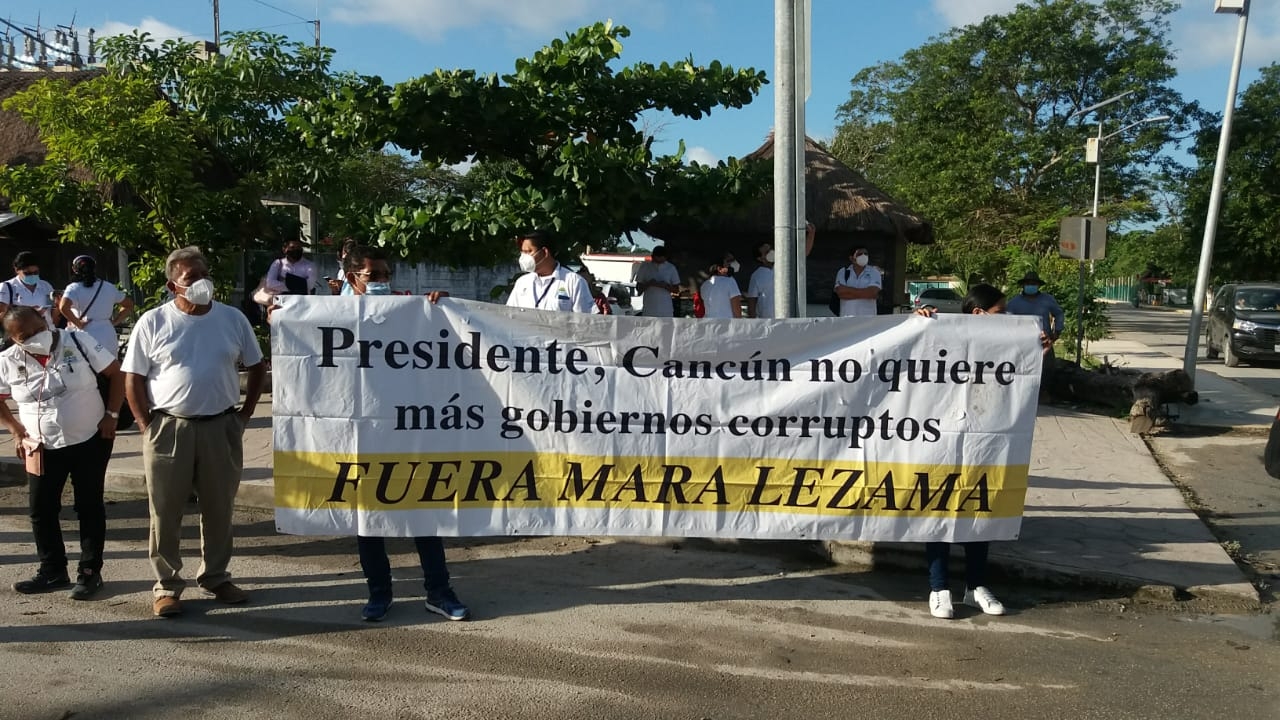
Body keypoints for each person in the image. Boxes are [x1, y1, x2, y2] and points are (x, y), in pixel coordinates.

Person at [122, 246, 266, 618]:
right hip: (169, 427)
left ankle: (216, 577)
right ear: (173, 285)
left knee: (219, 509)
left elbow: (256, 365)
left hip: (221, 426)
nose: (202, 282)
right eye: (191, 277)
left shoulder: (233, 319)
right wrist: (144, 424)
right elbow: (133, 378)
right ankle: (167, 586)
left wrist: (245, 413)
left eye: (204, 273)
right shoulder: (153, 322)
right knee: (165, 512)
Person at [338, 244, 471, 622]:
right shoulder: (333, 314)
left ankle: (439, 591)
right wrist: (280, 317)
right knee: (369, 518)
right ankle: (379, 593)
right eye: (372, 276)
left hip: (410, 426)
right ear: (352, 279)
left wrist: (443, 306)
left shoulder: (408, 307)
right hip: (363, 430)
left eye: (385, 275)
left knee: (422, 511)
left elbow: (440, 331)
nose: (381, 281)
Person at [915, 283, 1051, 619]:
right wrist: (918, 321)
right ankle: (939, 587)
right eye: (1000, 311)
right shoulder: (944, 333)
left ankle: (976, 587)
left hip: (985, 437)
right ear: (978, 313)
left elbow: (1024, 384)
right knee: (940, 510)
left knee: (980, 507)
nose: (1008, 318)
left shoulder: (1006, 343)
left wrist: (1037, 352)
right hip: (943, 438)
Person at [0, 306, 124, 600]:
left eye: (35, 330)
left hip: (91, 439)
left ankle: (90, 572)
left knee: (89, 506)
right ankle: (52, 570)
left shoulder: (77, 341)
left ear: (44, 321)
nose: (33, 338)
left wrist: (112, 414)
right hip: (41, 446)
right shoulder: (7, 361)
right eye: (23, 336)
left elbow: (116, 375)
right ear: (13, 339)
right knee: (41, 510)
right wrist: (16, 429)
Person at [57, 255, 135, 353]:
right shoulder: (108, 287)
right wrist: (115, 322)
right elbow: (129, 304)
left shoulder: (73, 288)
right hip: (107, 335)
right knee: (110, 366)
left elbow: (63, 307)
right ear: (94, 268)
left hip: (85, 336)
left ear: (74, 269)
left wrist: (78, 323)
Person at [1006, 271, 1064, 398]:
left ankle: (1044, 392)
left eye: (1033, 283)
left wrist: (1057, 330)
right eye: (1028, 283)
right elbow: (1007, 321)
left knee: (1047, 367)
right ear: (1023, 285)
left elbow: (1059, 313)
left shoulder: (1047, 300)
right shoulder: (1014, 303)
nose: (1031, 286)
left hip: (1043, 341)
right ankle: (1021, 393)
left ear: (1038, 285)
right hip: (1021, 342)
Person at [506, 230, 594, 313]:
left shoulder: (573, 281)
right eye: (523, 252)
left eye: (528, 251)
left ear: (545, 252)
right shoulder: (522, 282)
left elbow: (585, 321)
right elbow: (510, 317)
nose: (524, 257)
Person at [0, 251, 59, 331]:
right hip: (22, 334)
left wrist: (58, 306)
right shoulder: (7, 287)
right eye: (27, 273)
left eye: (36, 272)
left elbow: (52, 312)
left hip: (47, 333)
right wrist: (28, 312)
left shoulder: (46, 286)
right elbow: (2, 315)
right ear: (17, 270)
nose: (32, 276)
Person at [632, 246, 681, 318]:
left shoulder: (671, 268)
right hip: (649, 309)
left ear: (665, 257)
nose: (658, 263)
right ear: (652, 257)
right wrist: (649, 284)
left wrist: (665, 286)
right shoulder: (645, 266)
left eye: (661, 261)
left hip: (666, 310)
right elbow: (638, 288)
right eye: (656, 261)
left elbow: (676, 290)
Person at [834, 247, 881, 317]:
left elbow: (873, 293)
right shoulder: (843, 272)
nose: (863, 256)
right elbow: (841, 294)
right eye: (860, 254)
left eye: (866, 254)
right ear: (851, 258)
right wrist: (866, 293)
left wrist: (848, 291)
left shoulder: (874, 272)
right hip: (847, 318)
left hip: (868, 320)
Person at [699, 254, 743, 319]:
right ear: (720, 269)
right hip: (726, 324)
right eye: (727, 265)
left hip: (708, 324)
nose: (729, 267)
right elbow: (737, 309)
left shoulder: (704, 285)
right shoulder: (730, 281)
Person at [745, 241, 775, 319]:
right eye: (767, 252)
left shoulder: (785, 265)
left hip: (789, 319)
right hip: (767, 322)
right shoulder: (756, 276)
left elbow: (802, 254)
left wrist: (811, 235)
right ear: (760, 258)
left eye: (771, 249)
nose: (772, 252)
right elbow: (752, 302)